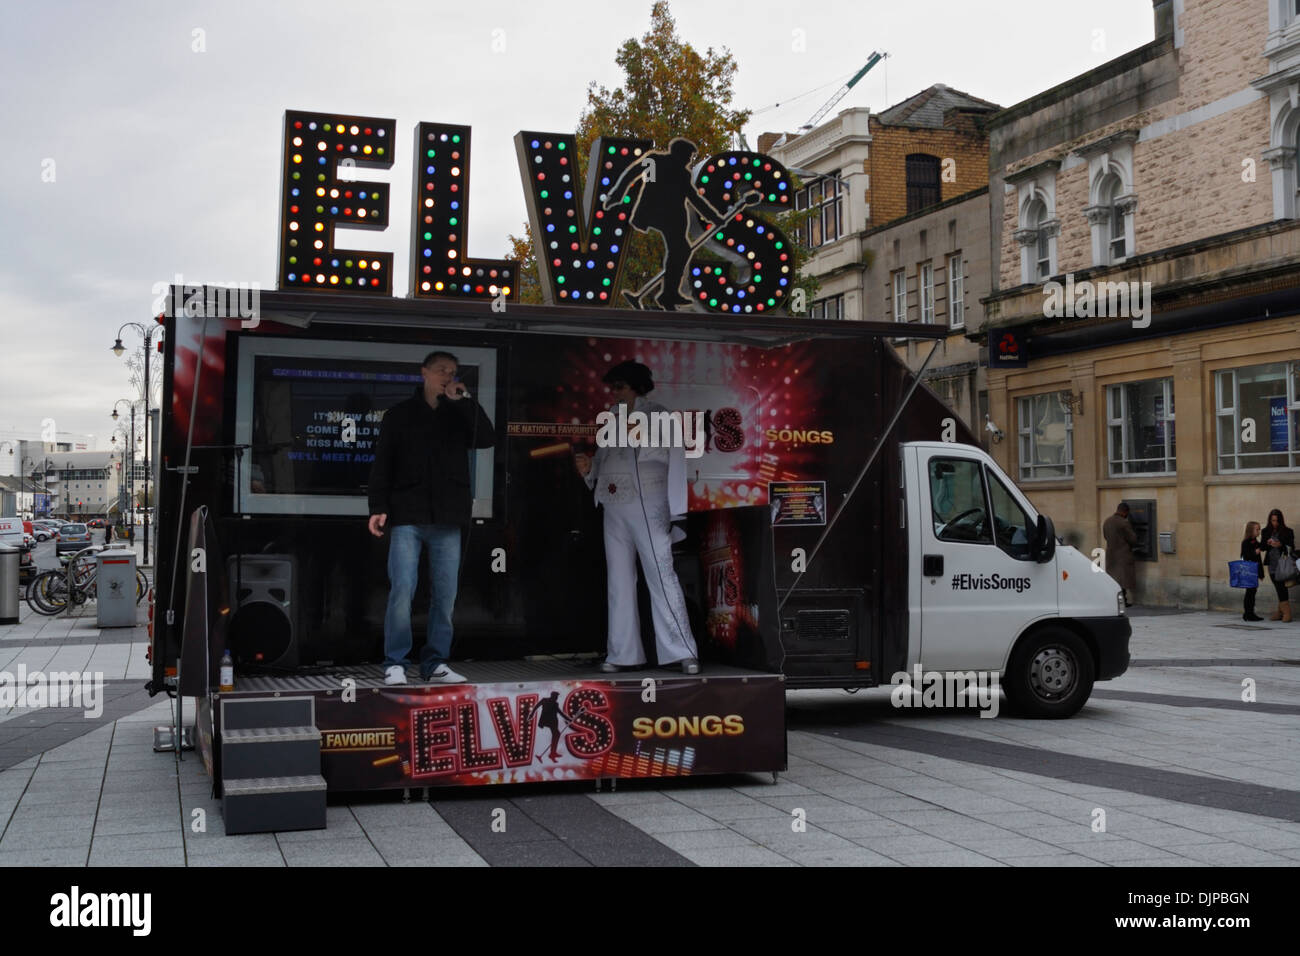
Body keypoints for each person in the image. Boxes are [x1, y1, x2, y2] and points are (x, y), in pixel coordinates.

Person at [368, 350, 496, 685]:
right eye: (441, 370)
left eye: (452, 372)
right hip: (408, 513)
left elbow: (486, 438)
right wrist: (378, 507)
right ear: (423, 372)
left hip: (448, 516)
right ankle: (395, 662)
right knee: (403, 589)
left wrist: (465, 400)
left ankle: (435, 661)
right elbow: (383, 464)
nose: (447, 376)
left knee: (445, 594)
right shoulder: (399, 415)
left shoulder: (458, 413)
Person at [574, 361, 700, 674]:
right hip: (614, 503)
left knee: (661, 574)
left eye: (619, 387)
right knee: (618, 581)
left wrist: (677, 511)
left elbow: (674, 459)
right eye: (612, 387)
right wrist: (589, 471)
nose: (614, 393)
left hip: (649, 502)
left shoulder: (659, 414)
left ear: (637, 386)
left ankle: (682, 651)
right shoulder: (612, 418)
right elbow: (605, 461)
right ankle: (622, 653)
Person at [1102, 501, 1137, 607]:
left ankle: (1115, 600)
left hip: (1111, 554)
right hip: (1123, 555)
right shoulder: (1124, 523)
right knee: (1123, 579)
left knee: (1114, 578)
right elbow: (1133, 539)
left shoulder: (1107, 521)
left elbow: (1105, 536)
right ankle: (1123, 601)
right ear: (1126, 512)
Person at [1263, 508, 1295, 622]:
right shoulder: (1266, 531)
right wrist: (1267, 543)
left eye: (1276, 520)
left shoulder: (1288, 531)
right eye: (1272, 520)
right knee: (1278, 587)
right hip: (1271, 563)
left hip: (1283, 563)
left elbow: (1292, 547)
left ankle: (1287, 613)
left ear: (1280, 520)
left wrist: (1280, 544)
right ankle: (1281, 612)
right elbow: (1262, 547)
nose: (1274, 523)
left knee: (1281, 586)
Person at [1240, 521, 1264, 622]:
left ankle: (1249, 613)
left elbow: (1259, 560)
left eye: (1259, 529)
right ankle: (1248, 613)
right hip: (1249, 571)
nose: (1259, 531)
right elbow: (1246, 555)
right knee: (1250, 592)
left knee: (1252, 592)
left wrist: (1261, 573)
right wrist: (1255, 552)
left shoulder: (1256, 542)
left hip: (1255, 571)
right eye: (1257, 529)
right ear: (1251, 530)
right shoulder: (1246, 542)